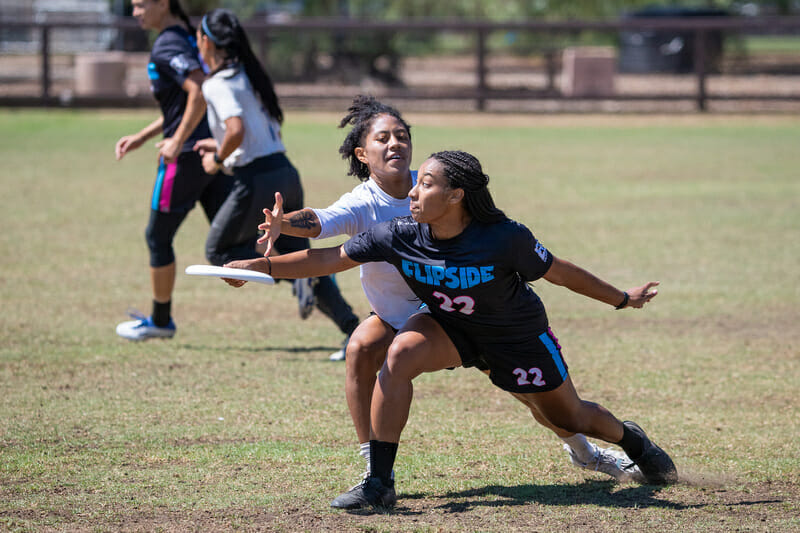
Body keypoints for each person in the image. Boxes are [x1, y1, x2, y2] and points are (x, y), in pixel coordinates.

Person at [256, 101, 665, 495]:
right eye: (384, 138)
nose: (413, 191)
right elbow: (330, 251)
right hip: (440, 322)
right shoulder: (397, 227)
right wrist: (263, 264)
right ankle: (377, 478)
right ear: (363, 153)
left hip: (510, 334)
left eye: (403, 136)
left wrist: (620, 298)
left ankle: (621, 443)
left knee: (558, 413)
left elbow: (559, 271)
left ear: (454, 195)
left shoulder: (500, 234)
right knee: (379, 351)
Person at [192, 8, 359, 342]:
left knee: (217, 251)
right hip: (284, 173)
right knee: (302, 257)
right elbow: (254, 131)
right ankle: (353, 331)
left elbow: (237, 130)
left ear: (206, 42)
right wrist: (221, 143)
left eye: (197, 36)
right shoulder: (248, 74)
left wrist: (217, 158)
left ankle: (296, 278)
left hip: (255, 180)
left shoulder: (216, 84)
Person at [115, 0, 232, 341]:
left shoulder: (168, 43)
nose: (135, 12)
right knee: (239, 241)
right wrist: (144, 136)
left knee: (157, 236)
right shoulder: (186, 37)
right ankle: (316, 282)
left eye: (139, 4)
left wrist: (175, 140)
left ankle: (161, 321)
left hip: (184, 159)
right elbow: (184, 105)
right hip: (209, 152)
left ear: (162, 3)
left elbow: (198, 90)